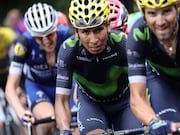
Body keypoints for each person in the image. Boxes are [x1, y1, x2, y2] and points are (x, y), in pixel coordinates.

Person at [126, 0, 180, 134]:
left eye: (166, 11)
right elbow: (137, 97)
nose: (160, 22)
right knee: (171, 130)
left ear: (178, 7)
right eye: (152, 14)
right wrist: (153, 121)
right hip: (163, 82)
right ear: (143, 14)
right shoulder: (138, 34)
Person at [55, 0, 143, 135]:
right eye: (86, 32)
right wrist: (64, 130)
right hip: (91, 103)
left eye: (98, 30)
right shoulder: (68, 50)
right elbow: (61, 100)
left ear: (108, 26)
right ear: (76, 31)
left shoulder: (122, 43)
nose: (94, 40)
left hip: (125, 102)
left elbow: (143, 84)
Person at [5, 2, 74, 135]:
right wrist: (21, 112)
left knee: (75, 125)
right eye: (38, 37)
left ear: (56, 28)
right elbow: (10, 88)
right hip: (39, 87)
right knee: (46, 121)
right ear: (31, 34)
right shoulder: (23, 43)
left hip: (67, 86)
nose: (46, 41)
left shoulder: (68, 35)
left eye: (50, 35)